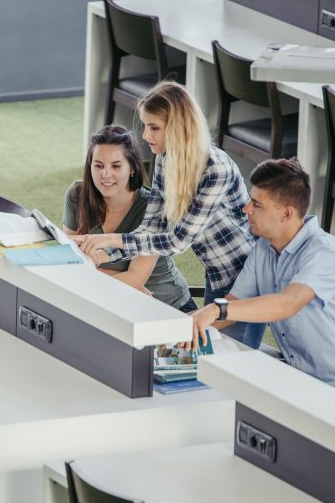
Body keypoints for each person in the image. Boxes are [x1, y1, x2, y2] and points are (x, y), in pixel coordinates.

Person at [71, 81, 261, 346]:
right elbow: (152, 227)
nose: (145, 135)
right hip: (215, 272)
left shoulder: (215, 169)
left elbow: (178, 242)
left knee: (230, 357)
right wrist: (97, 256)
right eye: (145, 125)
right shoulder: (164, 158)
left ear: (179, 127)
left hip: (244, 278)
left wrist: (111, 240)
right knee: (208, 354)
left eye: (154, 127)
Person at [191, 158, 335, 395]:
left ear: (286, 213)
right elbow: (232, 308)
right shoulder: (263, 249)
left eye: (256, 204)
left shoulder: (323, 252)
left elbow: (287, 304)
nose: (246, 209)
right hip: (301, 380)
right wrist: (180, 327)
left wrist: (215, 310)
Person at [63, 125, 195, 312]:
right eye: (98, 165)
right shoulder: (77, 195)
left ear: (132, 168)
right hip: (114, 299)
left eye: (116, 166)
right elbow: (69, 261)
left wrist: (126, 282)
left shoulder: (153, 207)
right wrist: (126, 284)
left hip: (165, 306)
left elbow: (135, 277)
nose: (105, 174)